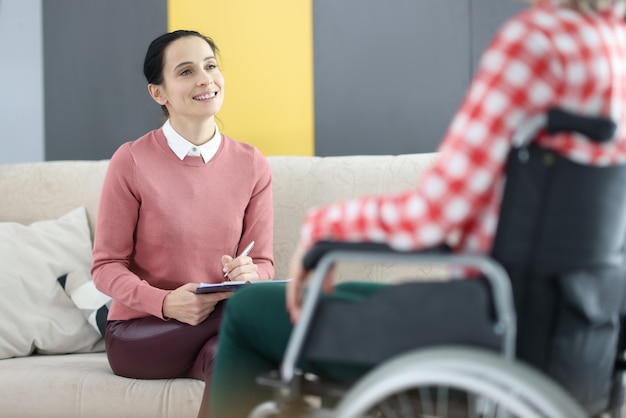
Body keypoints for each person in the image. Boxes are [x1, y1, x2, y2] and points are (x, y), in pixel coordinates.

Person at [208, 0, 626, 416]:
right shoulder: (614, 42)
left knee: (249, 309)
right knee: (341, 296)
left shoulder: (539, 40)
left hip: (492, 323)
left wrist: (321, 229)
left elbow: (432, 216)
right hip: (578, 334)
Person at [91, 29, 274, 418]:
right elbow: (105, 267)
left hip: (217, 327)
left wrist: (250, 272)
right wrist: (166, 302)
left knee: (233, 358)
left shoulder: (252, 164)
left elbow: (265, 263)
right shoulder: (132, 161)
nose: (205, 79)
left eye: (210, 66)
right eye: (187, 71)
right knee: (263, 323)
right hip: (141, 334)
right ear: (159, 93)